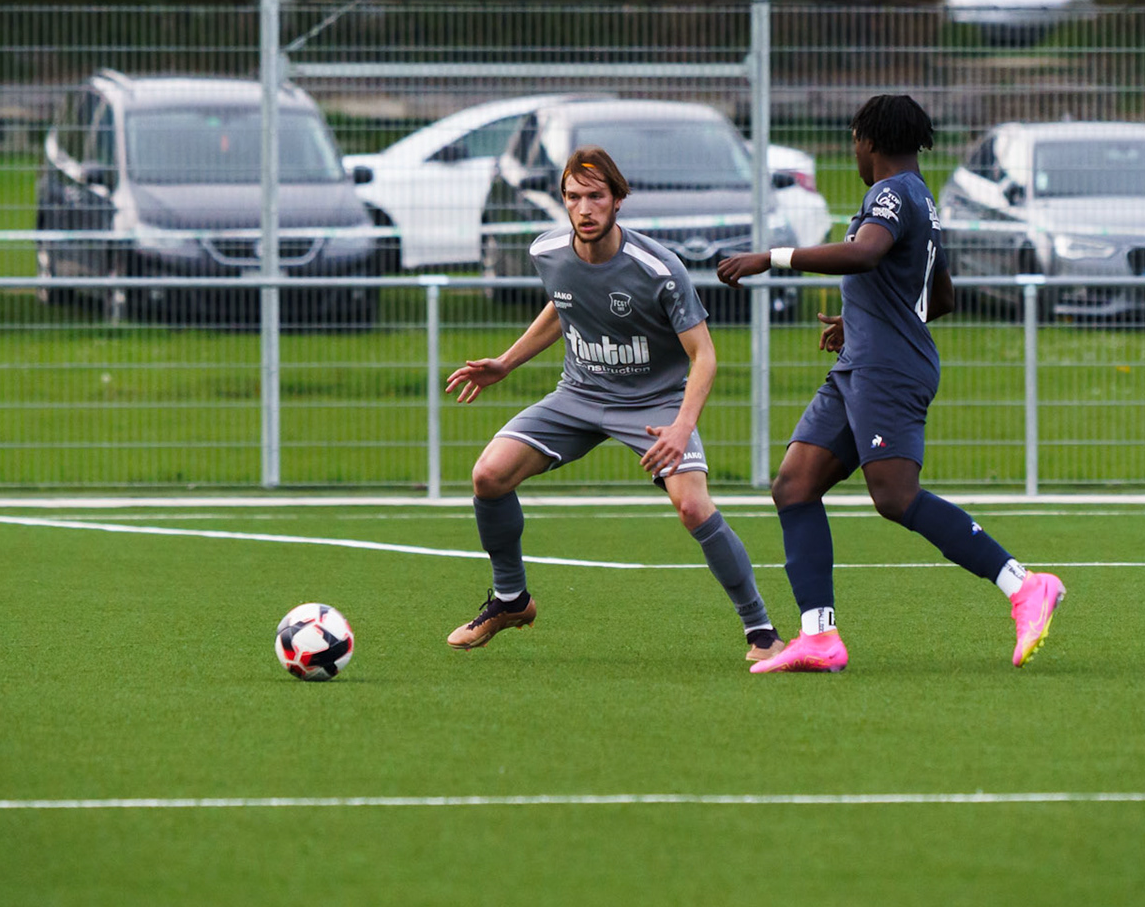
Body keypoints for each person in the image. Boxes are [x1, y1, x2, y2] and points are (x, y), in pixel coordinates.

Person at [717, 94, 1066, 673]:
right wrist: (862, 322)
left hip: (887, 370)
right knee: (795, 485)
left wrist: (771, 257)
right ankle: (819, 637)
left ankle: (1024, 585)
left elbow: (866, 253)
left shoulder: (891, 192)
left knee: (895, 497)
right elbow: (942, 295)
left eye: (855, 140)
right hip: (863, 362)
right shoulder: (923, 201)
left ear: (867, 139)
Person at [443, 145, 786, 662]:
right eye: (574, 197)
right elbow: (564, 305)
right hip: (578, 395)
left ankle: (762, 633)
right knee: (488, 475)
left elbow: (705, 356)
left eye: (596, 196)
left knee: (692, 505)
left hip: (655, 405)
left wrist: (680, 426)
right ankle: (511, 600)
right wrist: (506, 363)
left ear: (618, 200)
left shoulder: (659, 268)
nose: (584, 208)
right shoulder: (547, 251)